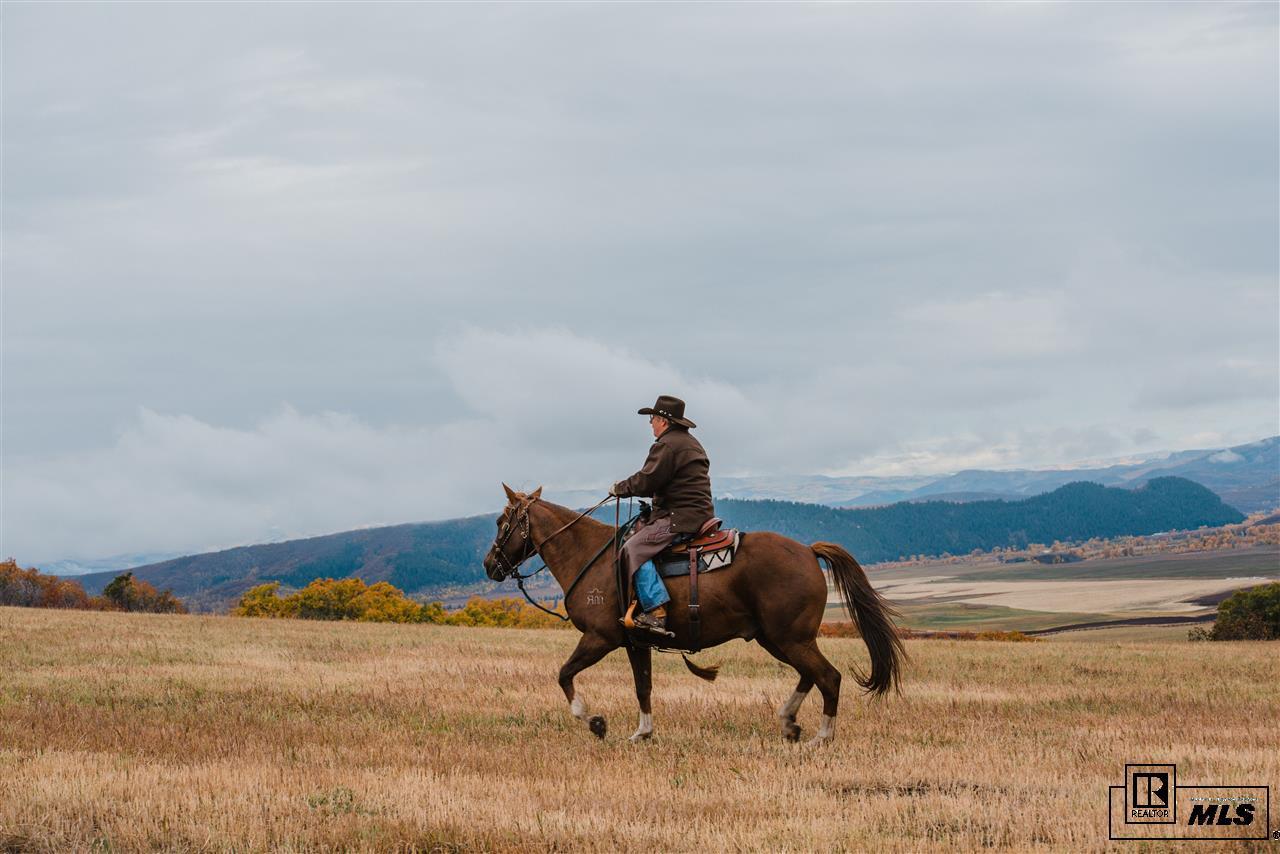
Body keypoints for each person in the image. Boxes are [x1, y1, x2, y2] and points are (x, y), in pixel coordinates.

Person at [609, 395, 715, 636]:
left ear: (664, 421)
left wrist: (620, 488)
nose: (651, 424)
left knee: (632, 549)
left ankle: (656, 611)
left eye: (653, 419)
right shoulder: (690, 442)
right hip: (696, 513)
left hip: (679, 518)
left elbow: (647, 480)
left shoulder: (667, 445)